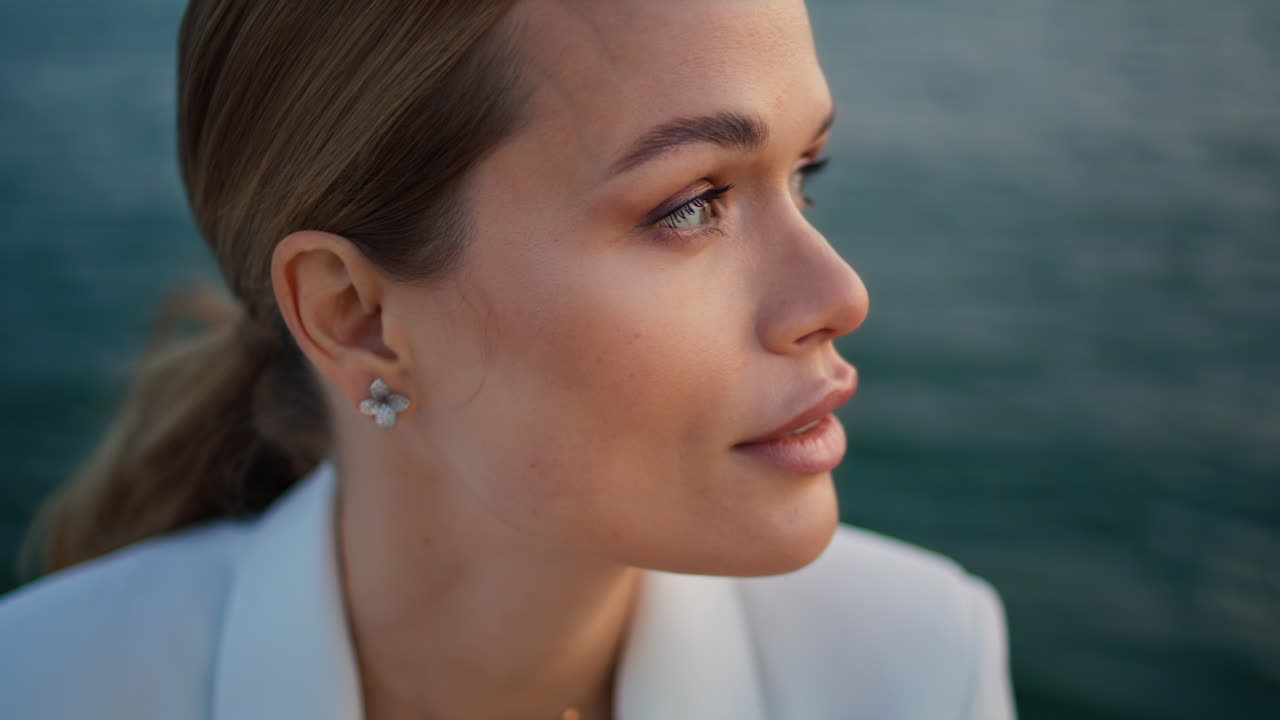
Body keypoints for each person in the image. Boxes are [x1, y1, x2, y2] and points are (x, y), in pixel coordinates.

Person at [0, 1, 1016, 718]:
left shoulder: (920, 666)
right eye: (690, 204)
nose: (839, 296)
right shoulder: (40, 688)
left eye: (805, 173)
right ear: (355, 317)